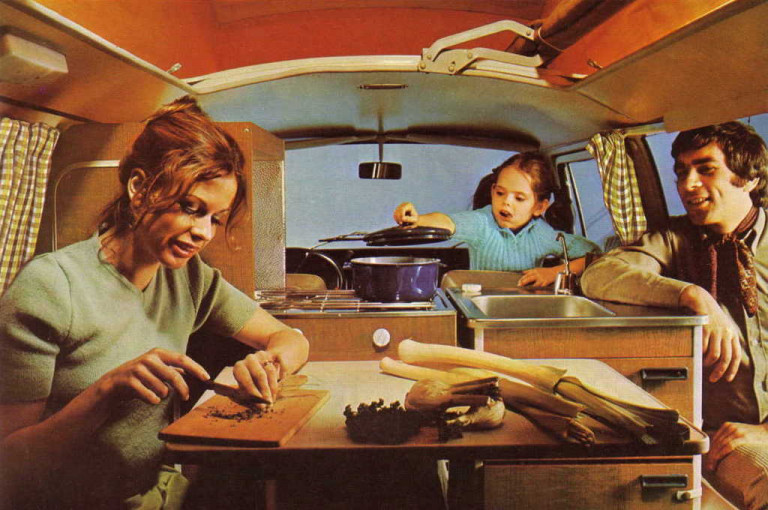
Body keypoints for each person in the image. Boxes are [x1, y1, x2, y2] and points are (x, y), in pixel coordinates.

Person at [0, 96, 310, 509]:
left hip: (160, 492)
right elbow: (9, 466)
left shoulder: (189, 276)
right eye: (190, 208)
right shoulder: (50, 287)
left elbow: (290, 339)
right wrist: (104, 393)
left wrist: (270, 363)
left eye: (215, 218)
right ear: (140, 188)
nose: (203, 232)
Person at [580, 121, 768, 509]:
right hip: (722, 434)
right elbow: (599, 275)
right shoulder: (674, 239)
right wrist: (693, 295)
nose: (688, 184)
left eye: (706, 169)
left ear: (750, 179)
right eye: (682, 172)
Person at [393, 152, 600, 287]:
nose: (506, 202)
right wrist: (418, 219)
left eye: (519, 198)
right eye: (500, 193)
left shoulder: (543, 234)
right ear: (493, 191)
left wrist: (554, 273)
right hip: (478, 304)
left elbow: (594, 255)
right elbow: (449, 222)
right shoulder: (481, 223)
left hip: (522, 308)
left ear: (539, 206)